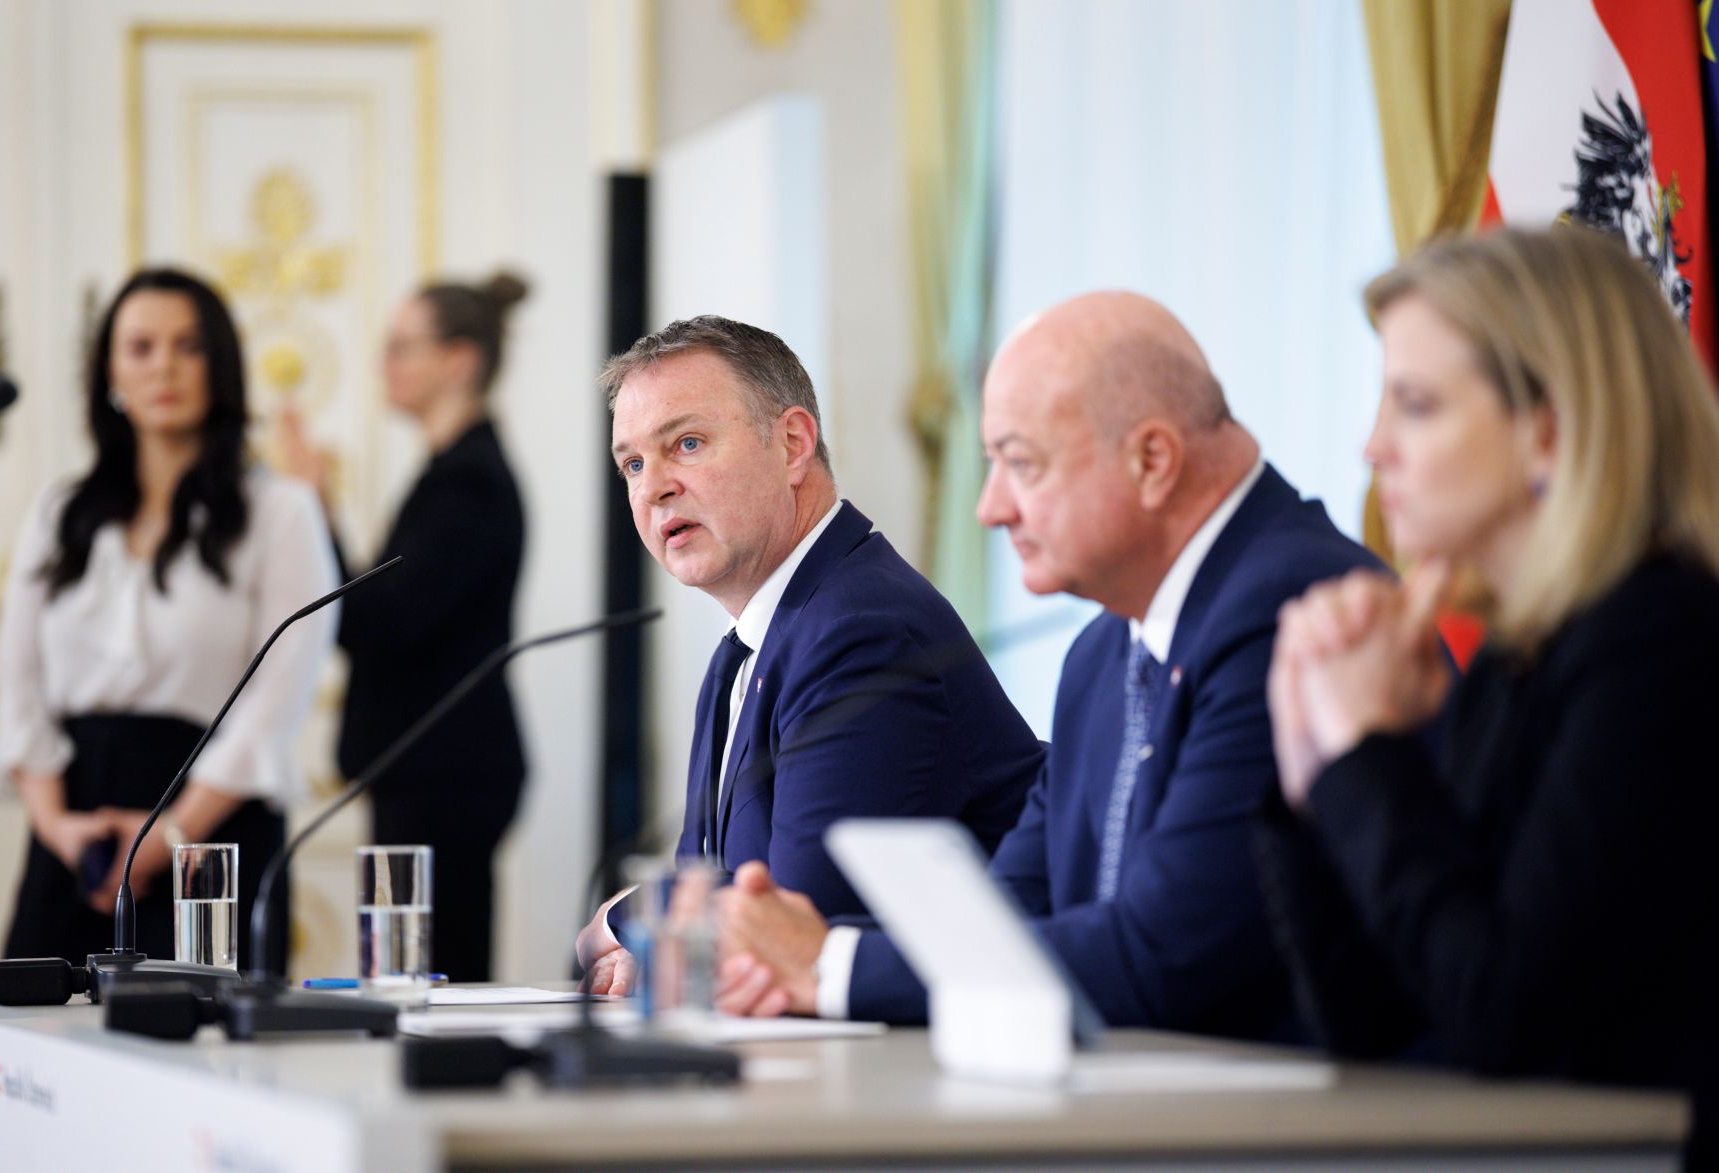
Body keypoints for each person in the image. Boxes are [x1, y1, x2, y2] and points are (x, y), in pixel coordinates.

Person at [711, 291, 1381, 1031]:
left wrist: (828, 964)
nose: (990, 507)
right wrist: (784, 951)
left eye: (1020, 463)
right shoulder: (1099, 654)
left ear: (1153, 459)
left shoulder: (1298, 610)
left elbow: (1164, 952)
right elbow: (1000, 925)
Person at [1257, 226, 1719, 1164]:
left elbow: (1506, 1015)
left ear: (1548, 426)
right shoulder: (1524, 656)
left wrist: (1367, 757)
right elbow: (1370, 1020)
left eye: (1416, 405)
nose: (1373, 446)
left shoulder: (1662, 642)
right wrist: (1313, 768)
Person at [579, 315, 1043, 995]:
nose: (654, 487)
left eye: (687, 442)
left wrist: (621, 922)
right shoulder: (743, 651)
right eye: (633, 464)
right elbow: (709, 890)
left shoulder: (862, 629)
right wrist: (657, 945)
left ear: (793, 443)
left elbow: (795, 925)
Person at [0, 267, 336, 974]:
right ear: (110, 369)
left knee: (209, 1062)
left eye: (189, 346)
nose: (164, 366)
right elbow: (17, 682)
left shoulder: (280, 511)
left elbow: (275, 703)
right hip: (75, 833)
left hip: (214, 834)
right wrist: (59, 827)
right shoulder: (59, 511)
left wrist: (171, 834)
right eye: (140, 347)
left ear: (222, 366)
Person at [283, 274, 529, 984]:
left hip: (445, 774)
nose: (383, 364)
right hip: (431, 772)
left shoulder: (470, 483)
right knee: (409, 984)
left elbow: (380, 622)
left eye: (401, 347)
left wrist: (314, 509)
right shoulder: (452, 474)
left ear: (459, 361)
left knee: (429, 994)